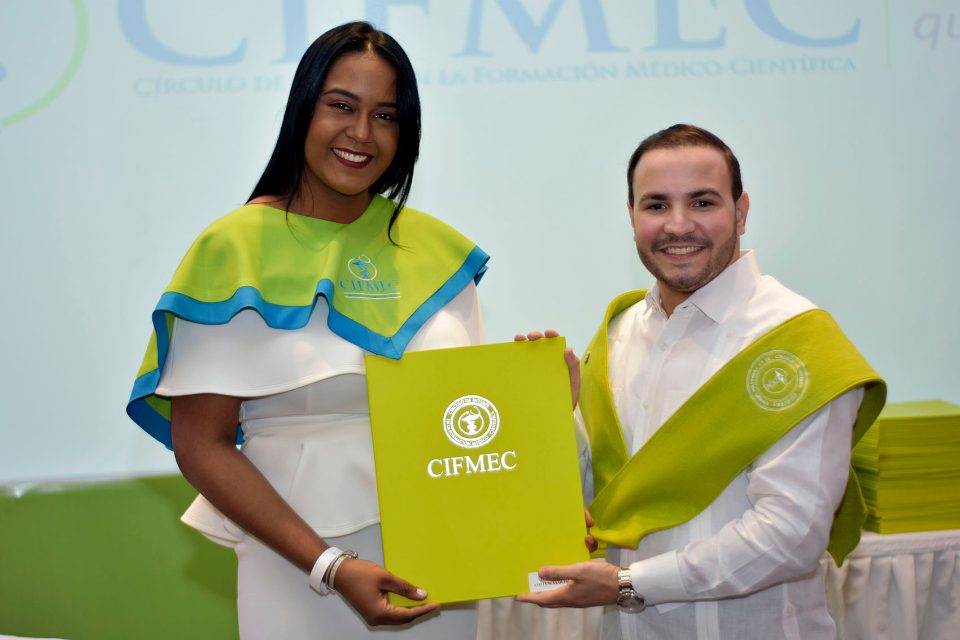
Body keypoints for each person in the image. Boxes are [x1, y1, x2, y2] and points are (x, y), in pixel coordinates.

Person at [126, 22, 489, 639]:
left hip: (440, 566)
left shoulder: (440, 253)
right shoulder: (232, 248)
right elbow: (201, 443)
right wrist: (330, 566)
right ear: (303, 110)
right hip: (297, 569)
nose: (362, 133)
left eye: (386, 116)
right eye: (341, 106)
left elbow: (467, 424)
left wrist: (541, 407)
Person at [516, 124, 885, 639]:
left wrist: (628, 582)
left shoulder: (796, 342)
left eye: (703, 202)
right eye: (656, 205)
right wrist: (550, 420)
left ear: (741, 211)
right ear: (631, 216)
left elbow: (790, 534)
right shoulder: (618, 332)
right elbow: (607, 499)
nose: (678, 224)